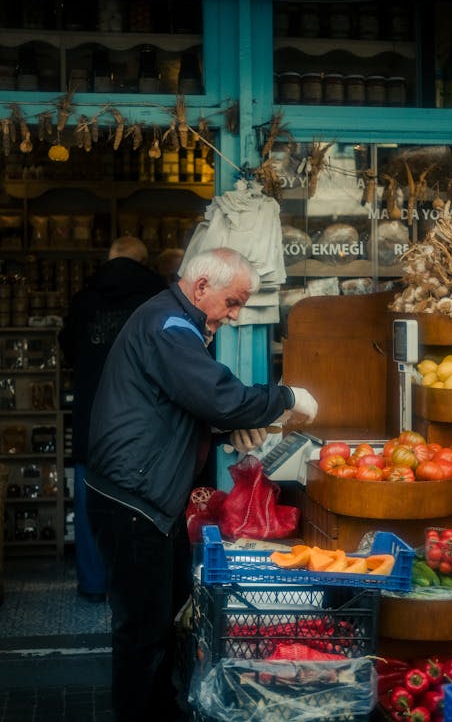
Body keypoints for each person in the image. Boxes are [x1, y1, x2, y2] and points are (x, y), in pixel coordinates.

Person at [85, 246, 318, 722]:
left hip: (145, 498)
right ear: (202, 287)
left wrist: (223, 428)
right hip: (135, 500)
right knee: (142, 629)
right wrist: (287, 397)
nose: (233, 317)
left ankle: (160, 707)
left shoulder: (174, 321)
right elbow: (217, 394)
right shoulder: (170, 325)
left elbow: (177, 403)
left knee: (162, 616)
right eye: (232, 303)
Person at [58, 236, 165, 602]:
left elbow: (68, 348)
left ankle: (92, 583)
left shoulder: (84, 299)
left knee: (89, 502)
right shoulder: (156, 298)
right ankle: (136, 586)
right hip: (142, 418)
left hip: (91, 414)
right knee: (142, 503)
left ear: (109, 259)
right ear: (144, 262)